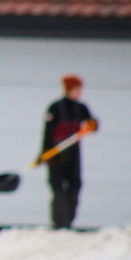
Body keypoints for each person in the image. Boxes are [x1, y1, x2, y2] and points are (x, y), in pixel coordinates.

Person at [42, 74, 98, 230]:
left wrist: (92, 125)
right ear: (69, 89)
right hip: (56, 155)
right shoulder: (55, 108)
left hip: (73, 154)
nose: (80, 92)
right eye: (77, 89)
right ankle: (59, 223)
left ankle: (69, 222)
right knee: (58, 189)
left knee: (75, 187)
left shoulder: (81, 108)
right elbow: (47, 133)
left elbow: (94, 123)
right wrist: (43, 154)